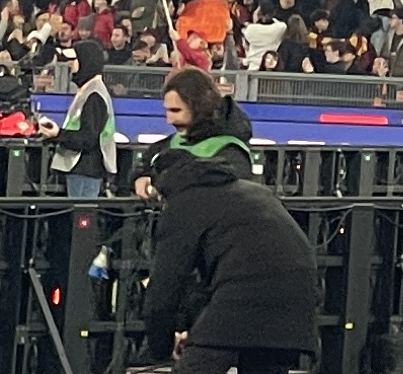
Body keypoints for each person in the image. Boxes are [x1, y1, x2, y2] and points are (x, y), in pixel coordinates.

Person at [137, 72, 321, 374]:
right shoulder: (240, 189)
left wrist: (160, 350)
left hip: (246, 293)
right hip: (297, 293)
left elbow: (165, 288)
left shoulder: (185, 203)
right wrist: (196, 330)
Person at [51, 48, 121, 200]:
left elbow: (88, 138)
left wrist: (58, 134)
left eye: (74, 60)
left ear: (86, 62)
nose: (71, 65)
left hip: (86, 169)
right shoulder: (88, 91)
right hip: (81, 169)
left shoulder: (94, 95)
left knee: (82, 212)